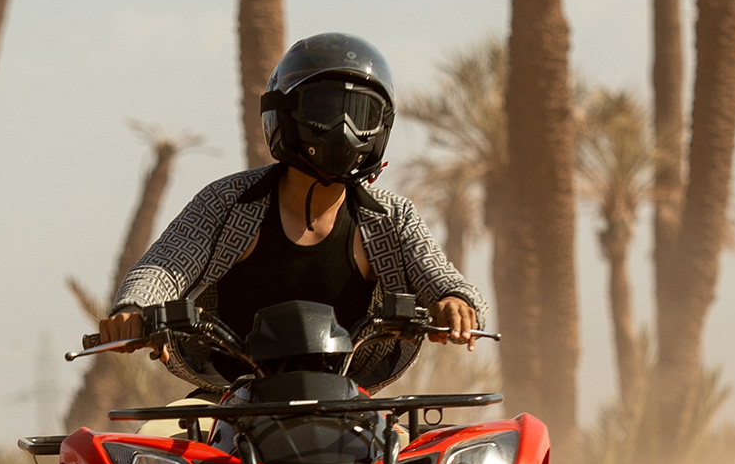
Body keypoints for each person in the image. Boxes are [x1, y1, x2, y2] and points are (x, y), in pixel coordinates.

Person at [94, 31, 480, 368]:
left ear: (382, 126)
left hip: (352, 413)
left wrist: (455, 301)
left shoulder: (393, 217)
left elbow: (440, 277)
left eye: (360, 114)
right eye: (324, 111)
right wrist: (134, 309)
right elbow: (165, 267)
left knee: (424, 452)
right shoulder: (228, 200)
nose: (342, 130)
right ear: (284, 115)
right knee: (127, 449)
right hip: (227, 407)